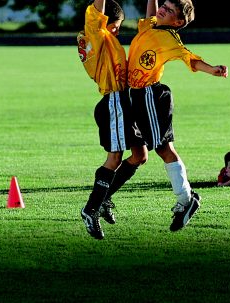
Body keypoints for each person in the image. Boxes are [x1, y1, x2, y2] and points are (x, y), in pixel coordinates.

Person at [127, 0, 228, 231]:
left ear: (178, 22)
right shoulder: (151, 25)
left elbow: (189, 57)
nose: (163, 9)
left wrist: (212, 69)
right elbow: (151, 13)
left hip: (149, 95)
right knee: (158, 149)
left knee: (163, 149)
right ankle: (185, 199)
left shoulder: (170, 38)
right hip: (136, 95)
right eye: (165, 4)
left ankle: (185, 199)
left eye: (170, 10)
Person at [77, 0, 148, 240]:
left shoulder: (103, 38)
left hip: (123, 101)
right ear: (104, 21)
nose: (117, 31)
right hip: (113, 101)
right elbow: (99, 9)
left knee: (140, 155)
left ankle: (105, 198)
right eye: (115, 26)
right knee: (114, 158)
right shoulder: (96, 32)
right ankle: (90, 209)